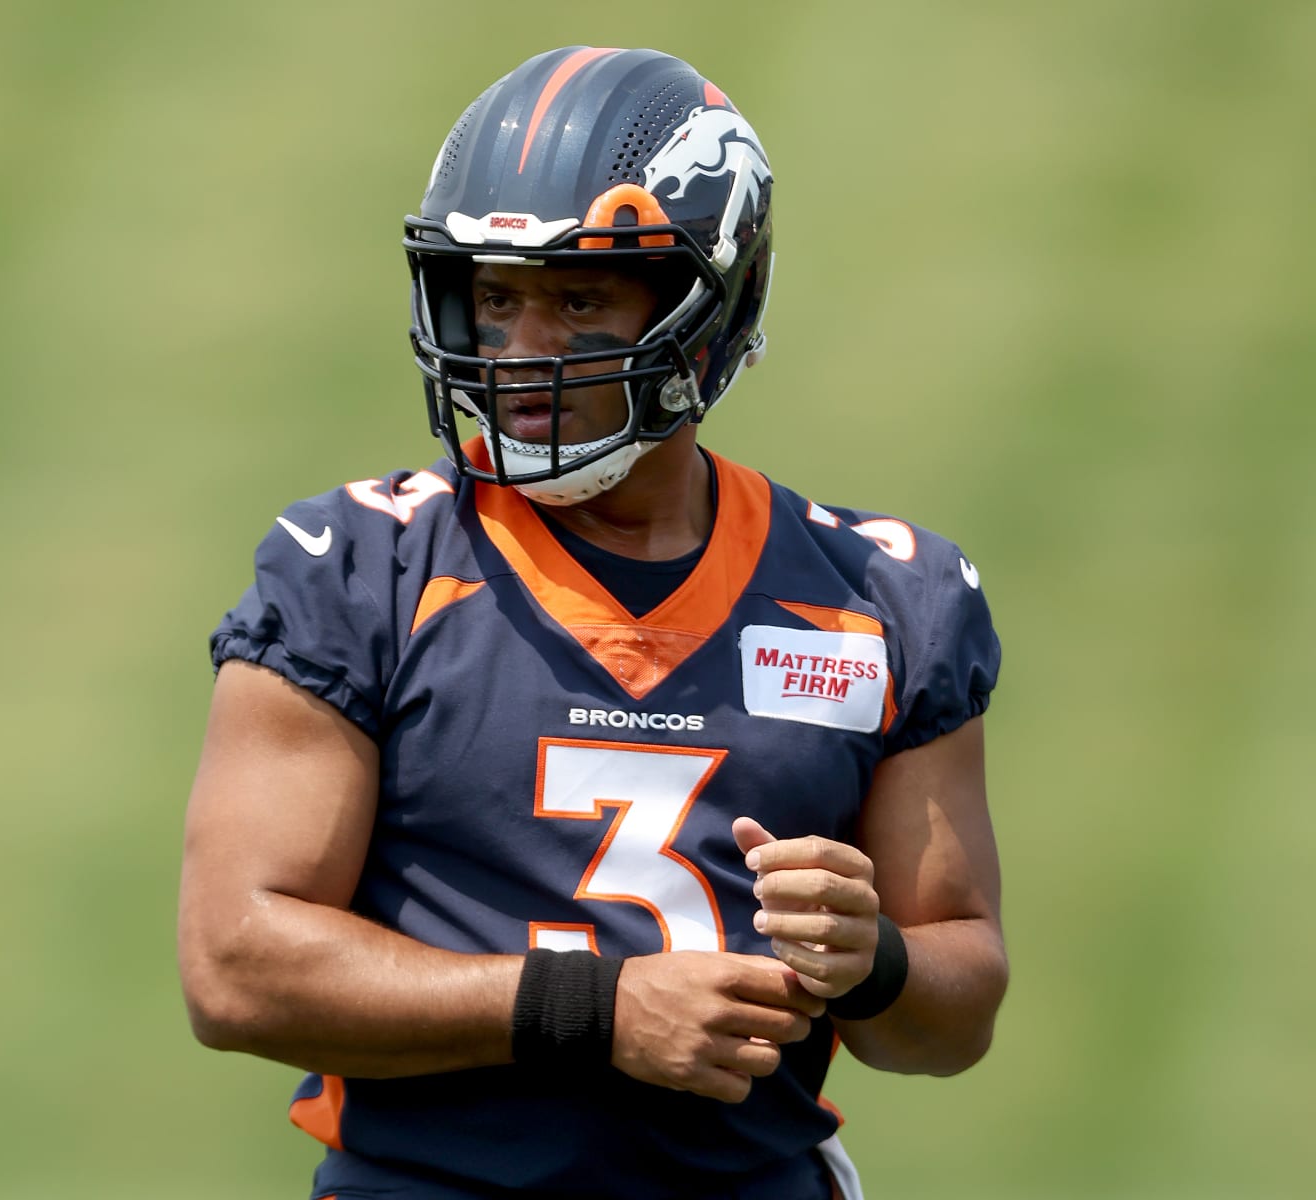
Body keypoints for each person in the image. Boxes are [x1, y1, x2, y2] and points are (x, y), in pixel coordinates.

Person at [179, 45, 1006, 1200]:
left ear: (709, 307)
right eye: (497, 295)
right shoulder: (358, 569)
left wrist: (874, 963)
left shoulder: (883, 596)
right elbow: (236, 967)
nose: (520, 353)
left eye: (577, 300)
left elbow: (952, 1017)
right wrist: (595, 1009)